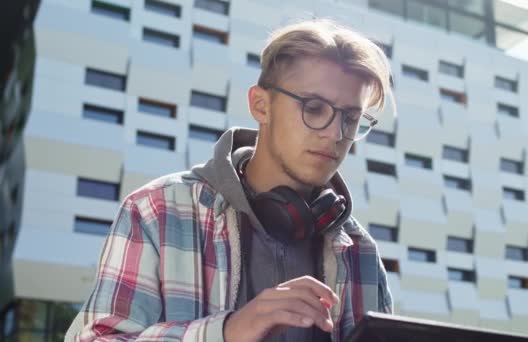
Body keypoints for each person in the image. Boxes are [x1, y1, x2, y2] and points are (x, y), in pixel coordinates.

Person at [66, 18, 394, 342]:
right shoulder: (156, 211)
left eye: (350, 119)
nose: (336, 134)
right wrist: (225, 333)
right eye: (314, 108)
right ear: (260, 105)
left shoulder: (361, 250)